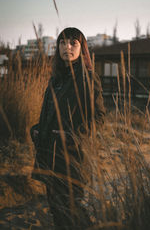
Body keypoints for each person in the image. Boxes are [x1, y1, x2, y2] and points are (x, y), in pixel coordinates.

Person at [30, 27, 105, 230]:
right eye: (63, 43)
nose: (67, 47)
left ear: (82, 48)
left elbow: (99, 118)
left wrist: (72, 135)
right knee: (56, 210)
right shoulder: (55, 81)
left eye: (73, 43)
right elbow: (49, 115)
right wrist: (38, 129)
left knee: (72, 211)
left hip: (72, 158)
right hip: (49, 154)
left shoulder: (87, 79)